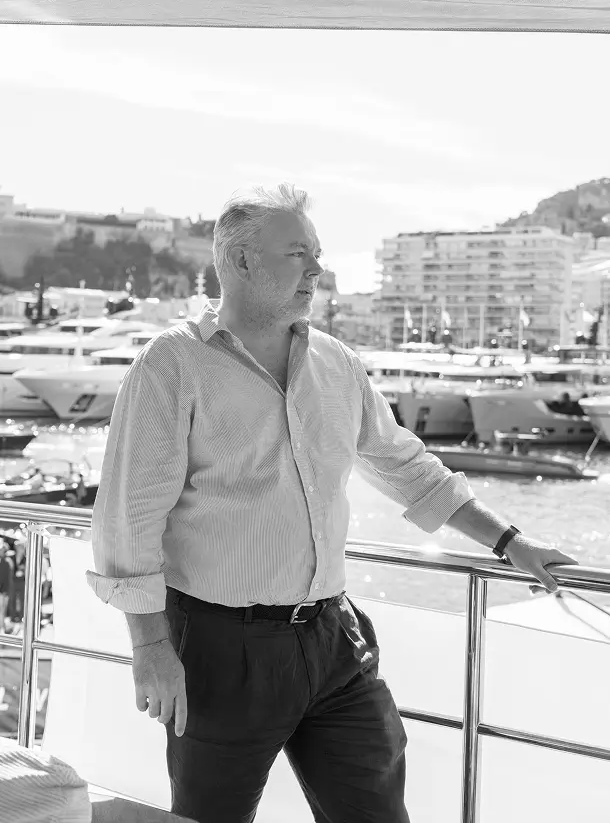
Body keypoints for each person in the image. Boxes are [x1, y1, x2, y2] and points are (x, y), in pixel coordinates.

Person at [87, 184, 577, 823]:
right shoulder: (172, 364)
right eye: (298, 254)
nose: (317, 270)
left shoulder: (336, 362)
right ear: (239, 262)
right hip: (219, 648)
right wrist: (150, 648)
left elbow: (407, 467)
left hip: (333, 640)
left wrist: (510, 542)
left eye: (316, 254)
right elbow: (130, 518)